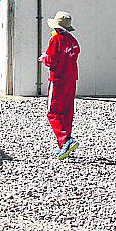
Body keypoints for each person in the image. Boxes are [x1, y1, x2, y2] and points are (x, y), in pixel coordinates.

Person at [40, 11, 81, 159]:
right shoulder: (73, 40)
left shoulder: (56, 40)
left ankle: (65, 140)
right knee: (67, 111)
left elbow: (51, 60)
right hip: (71, 78)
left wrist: (44, 58)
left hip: (58, 79)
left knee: (53, 111)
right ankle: (64, 143)